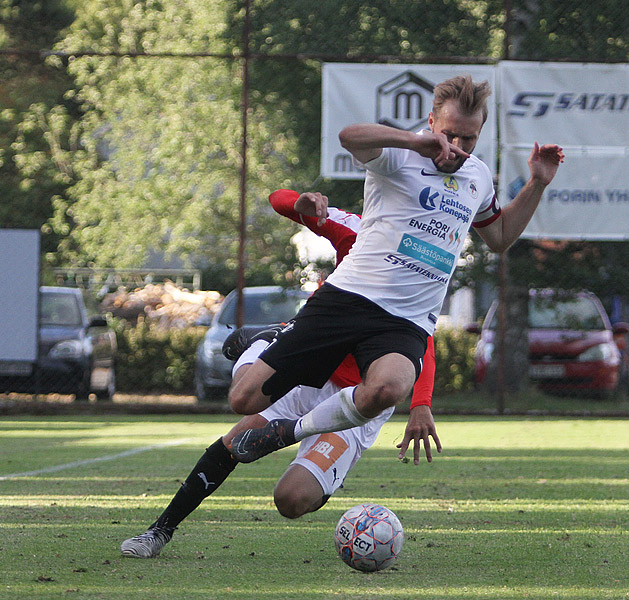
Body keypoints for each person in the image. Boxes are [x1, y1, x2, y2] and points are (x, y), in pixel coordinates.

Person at [225, 74, 563, 462]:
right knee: (242, 400)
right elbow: (349, 137)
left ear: (480, 132)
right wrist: (410, 140)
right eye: (449, 134)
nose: (456, 147)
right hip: (352, 298)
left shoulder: (478, 176)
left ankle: (290, 431)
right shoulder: (401, 154)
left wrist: (537, 183)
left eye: (468, 139)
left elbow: (500, 236)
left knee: (386, 390)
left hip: (404, 320)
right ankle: (264, 343)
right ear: (432, 121)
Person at [120, 198, 440, 559]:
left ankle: (294, 428)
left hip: (358, 398)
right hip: (311, 366)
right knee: (238, 422)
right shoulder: (357, 229)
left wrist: (421, 404)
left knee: (291, 501)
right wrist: (304, 202)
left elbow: (422, 339)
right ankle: (160, 530)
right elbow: (279, 200)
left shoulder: (427, 258)